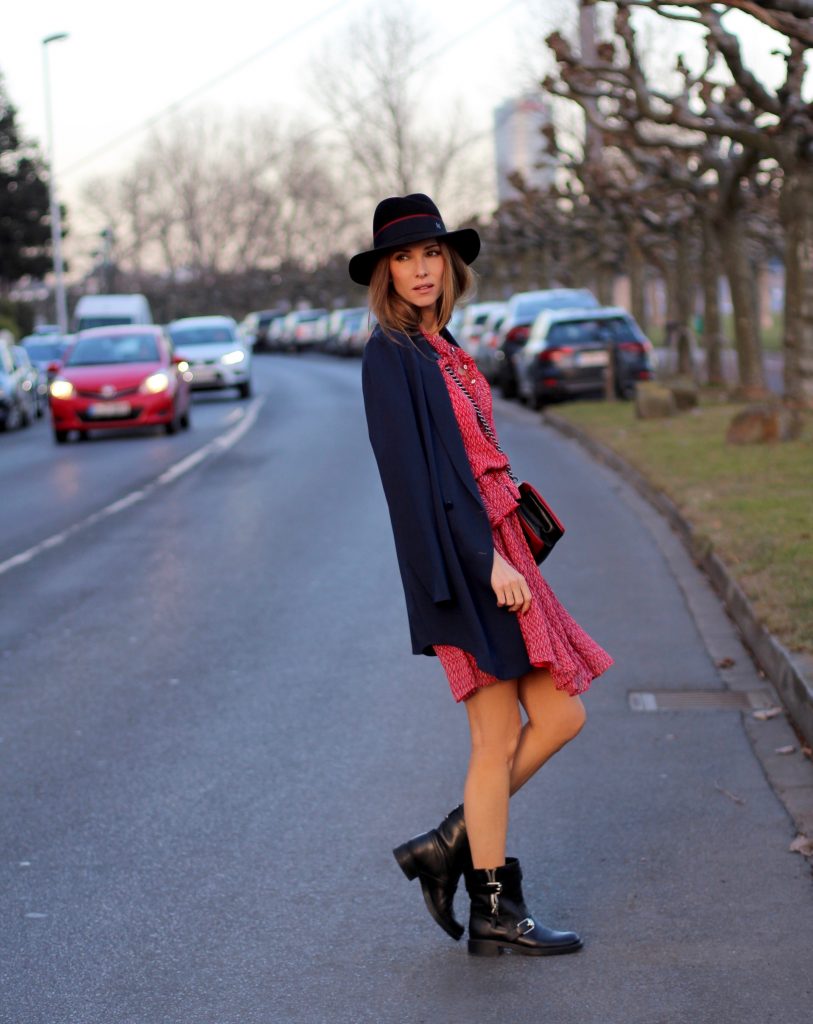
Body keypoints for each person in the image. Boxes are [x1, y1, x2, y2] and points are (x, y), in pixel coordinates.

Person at [351, 193, 613, 958]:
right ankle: (491, 901)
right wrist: (482, 559)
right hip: (467, 563)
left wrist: (507, 543)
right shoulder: (388, 356)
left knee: (559, 715)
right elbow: (411, 484)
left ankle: (450, 846)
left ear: (449, 261)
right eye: (402, 258)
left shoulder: (439, 345)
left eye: (429, 253)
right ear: (384, 274)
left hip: (501, 550)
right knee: (494, 741)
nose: (420, 269)